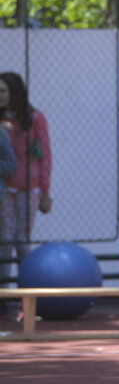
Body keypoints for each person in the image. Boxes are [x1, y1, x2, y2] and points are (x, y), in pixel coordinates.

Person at [0, 72, 52, 287]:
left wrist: (45, 191)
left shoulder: (34, 118)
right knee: (4, 241)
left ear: (14, 92)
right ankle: (3, 297)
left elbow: (45, 155)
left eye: (3, 91)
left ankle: (26, 296)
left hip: (28, 188)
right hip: (4, 188)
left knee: (22, 241)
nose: (0, 95)